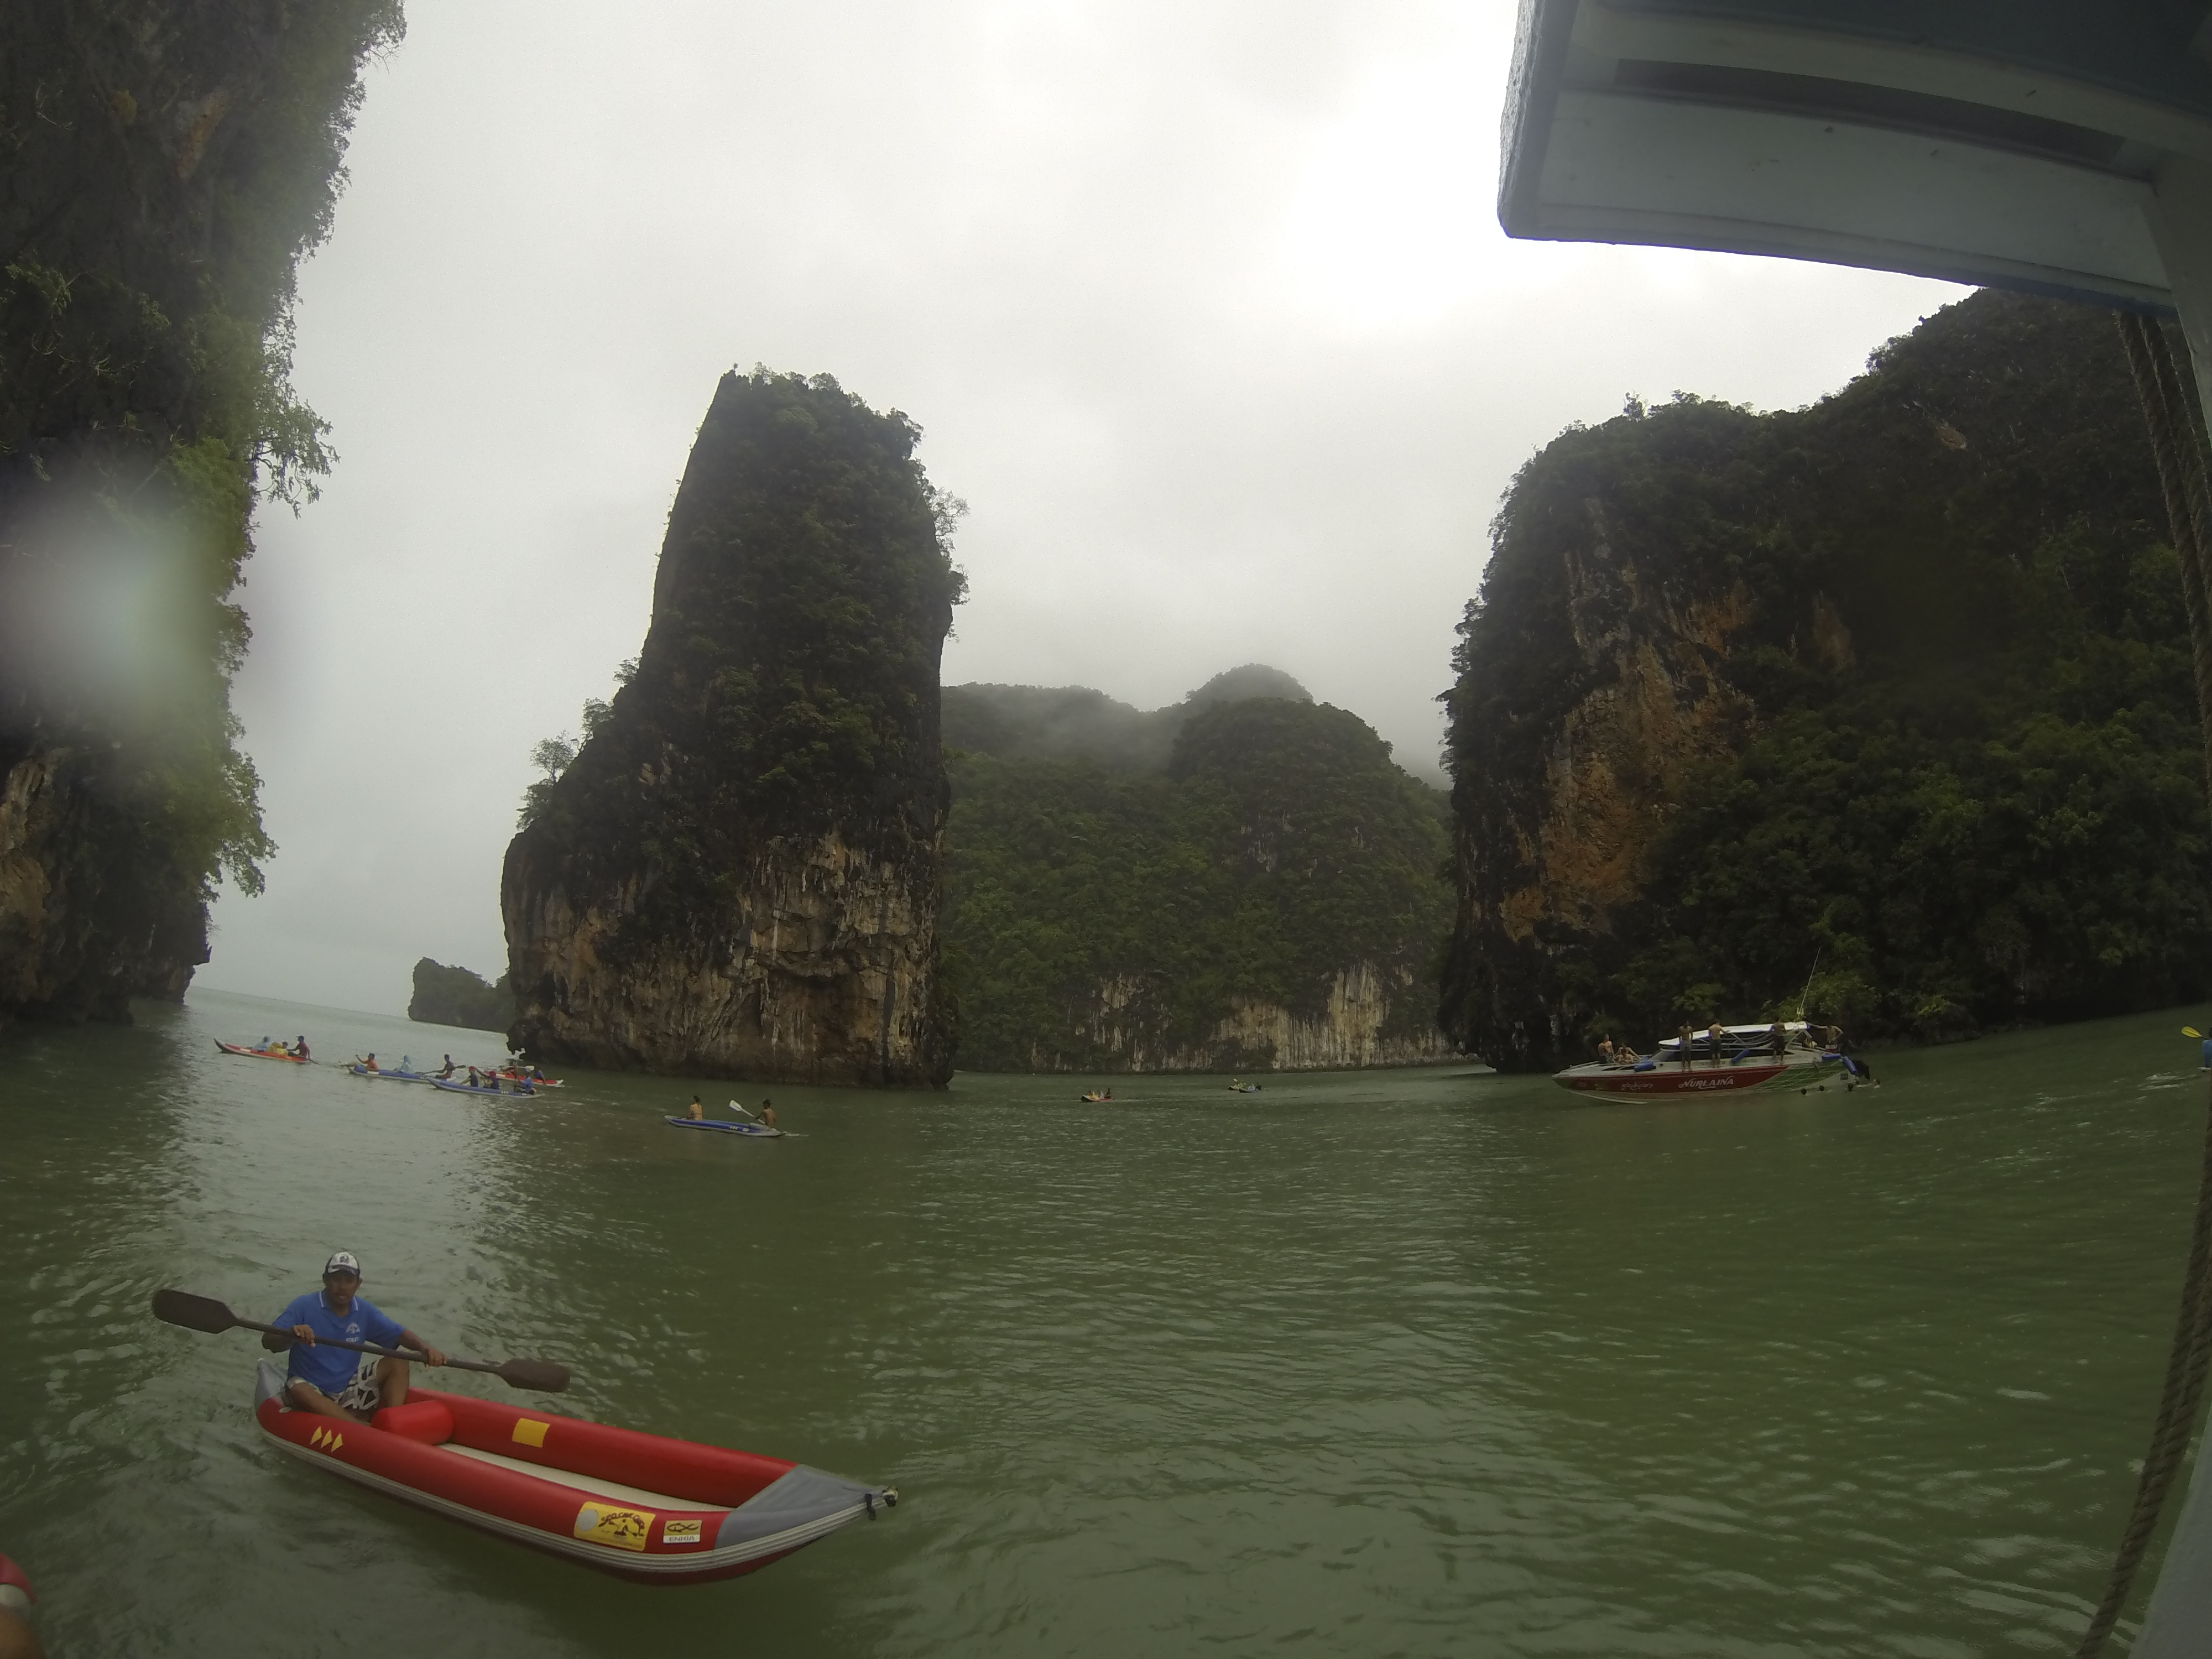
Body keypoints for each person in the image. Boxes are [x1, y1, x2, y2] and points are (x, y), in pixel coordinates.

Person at [262, 1252, 448, 1422]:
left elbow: (399, 1334)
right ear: (325, 1280)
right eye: (336, 1280)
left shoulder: (364, 1310)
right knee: (297, 1387)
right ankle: (357, 1428)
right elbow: (268, 1341)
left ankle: (394, 1423)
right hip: (311, 1389)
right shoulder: (304, 1305)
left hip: (347, 1388)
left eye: (349, 1281)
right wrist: (293, 1334)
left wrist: (425, 1348)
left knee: (399, 1360)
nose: (342, 1287)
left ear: (358, 1284)